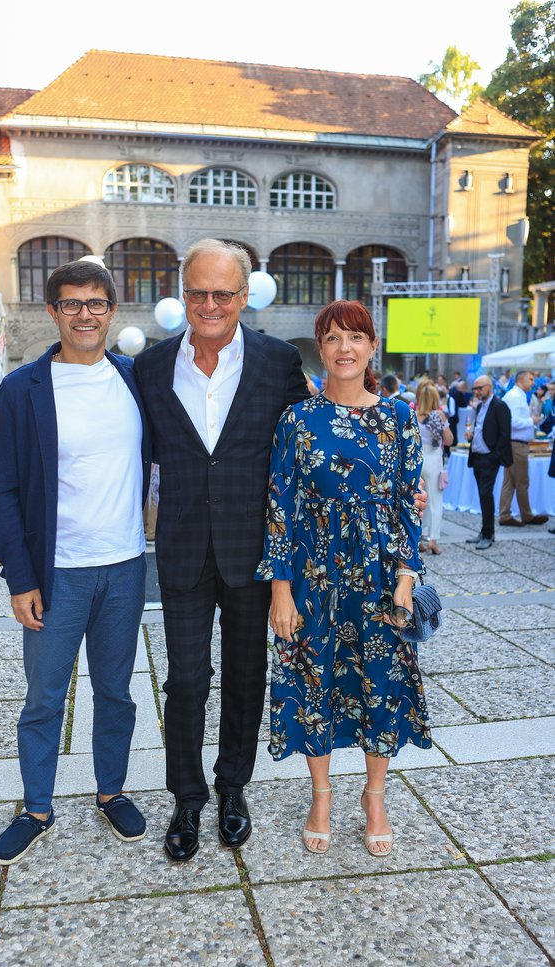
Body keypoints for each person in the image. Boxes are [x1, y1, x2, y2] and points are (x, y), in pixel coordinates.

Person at [134, 238, 311, 862]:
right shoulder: (151, 367)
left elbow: (308, 447)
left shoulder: (277, 360)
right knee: (185, 679)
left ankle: (234, 787)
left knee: (244, 677)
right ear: (184, 294)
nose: (210, 305)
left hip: (251, 550)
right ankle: (186, 796)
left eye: (223, 294)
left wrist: (386, 489)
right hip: (180, 548)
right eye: (198, 292)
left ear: (244, 297)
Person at [0, 257, 151, 866]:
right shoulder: (23, 388)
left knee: (116, 691)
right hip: (56, 573)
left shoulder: (136, 379)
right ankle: (36, 807)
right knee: (45, 696)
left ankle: (111, 790)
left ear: (112, 311)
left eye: (97, 304)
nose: (86, 315)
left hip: (125, 566)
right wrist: (20, 578)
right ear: (53, 312)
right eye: (73, 304)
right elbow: (3, 488)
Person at [257, 299, 430, 858]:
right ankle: (322, 794)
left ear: (372, 346)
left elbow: (408, 502)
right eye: (332, 338)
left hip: (380, 575)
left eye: (355, 337)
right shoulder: (297, 420)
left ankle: (375, 797)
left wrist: (406, 579)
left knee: (380, 681)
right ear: (321, 349)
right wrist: (281, 590)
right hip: (314, 572)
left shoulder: (399, 417)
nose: (345, 348)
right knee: (315, 679)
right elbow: (279, 504)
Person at [465, 375, 513, 550]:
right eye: (475, 389)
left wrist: (494, 456)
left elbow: (505, 435)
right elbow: (482, 428)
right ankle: (484, 531)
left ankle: (488, 534)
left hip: (489, 458)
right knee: (483, 496)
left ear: (490, 387)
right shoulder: (480, 407)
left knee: (486, 495)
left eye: (479, 388)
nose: (477, 392)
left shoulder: (500, 406)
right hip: (477, 457)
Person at [499, 370, 549, 528]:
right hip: (517, 444)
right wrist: (531, 421)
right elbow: (512, 421)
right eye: (531, 379)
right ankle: (525, 515)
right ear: (521, 380)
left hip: (515, 443)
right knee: (521, 481)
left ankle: (505, 514)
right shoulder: (515, 396)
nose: (534, 382)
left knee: (510, 482)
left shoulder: (517, 395)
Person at [416, 382, 453, 554]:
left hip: (417, 461)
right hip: (434, 461)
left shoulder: (413, 415)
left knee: (418, 501)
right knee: (436, 503)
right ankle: (433, 539)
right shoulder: (439, 416)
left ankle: (416, 539)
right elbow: (450, 440)